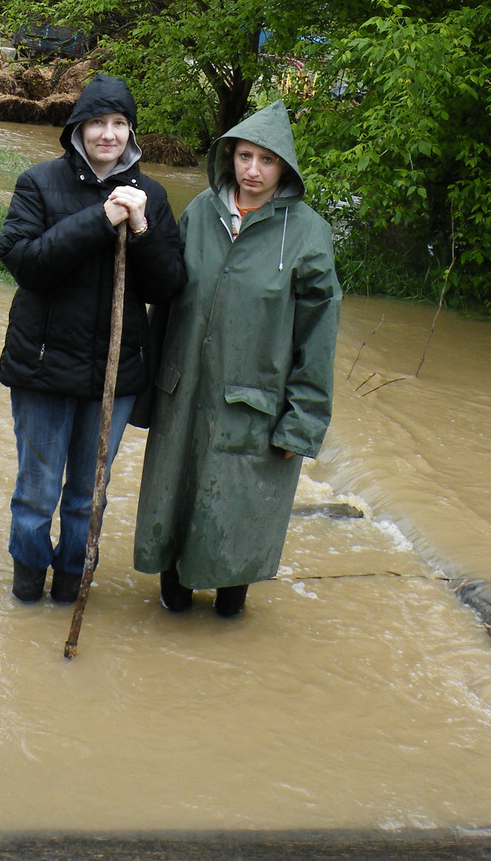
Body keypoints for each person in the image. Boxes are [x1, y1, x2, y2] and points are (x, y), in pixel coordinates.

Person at [133, 98, 341, 617]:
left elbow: (319, 336)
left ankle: (229, 627)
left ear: (284, 168)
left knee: (236, 537)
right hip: (181, 396)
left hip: (255, 408)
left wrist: (302, 423)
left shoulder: (308, 232)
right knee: (172, 537)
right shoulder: (200, 212)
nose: (253, 171)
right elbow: (166, 301)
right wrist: (144, 393)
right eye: (244, 157)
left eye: (266, 161)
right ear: (230, 158)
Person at [0, 74, 186, 604]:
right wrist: (99, 220)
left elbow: (168, 285)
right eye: (98, 123)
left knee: (87, 496)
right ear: (77, 128)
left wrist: (142, 227)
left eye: (120, 123)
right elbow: (25, 263)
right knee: (36, 492)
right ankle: (28, 584)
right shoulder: (38, 182)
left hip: (115, 373)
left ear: (131, 132)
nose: (109, 134)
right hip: (42, 366)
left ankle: (70, 587)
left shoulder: (151, 194)